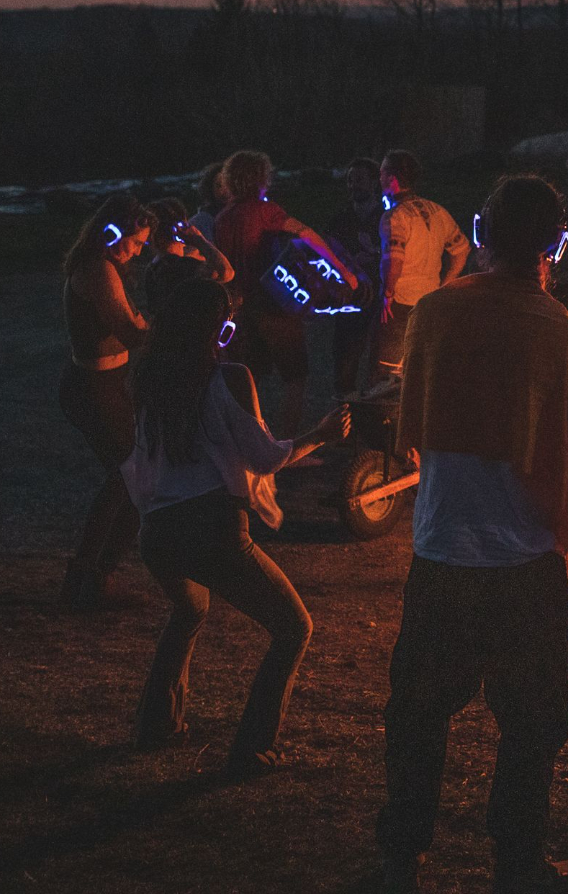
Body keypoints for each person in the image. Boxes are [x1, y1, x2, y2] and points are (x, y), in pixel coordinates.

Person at [376, 175, 568, 894]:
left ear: (480, 230)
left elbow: (412, 434)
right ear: (555, 246)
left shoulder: (434, 314)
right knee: (531, 730)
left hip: (440, 551)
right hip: (522, 565)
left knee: (416, 719)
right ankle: (517, 862)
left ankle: (400, 857)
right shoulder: (563, 336)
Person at [121, 279, 349, 776]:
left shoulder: (148, 376)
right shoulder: (228, 377)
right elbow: (266, 457)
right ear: (216, 326)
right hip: (212, 528)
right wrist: (322, 435)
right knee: (293, 628)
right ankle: (253, 747)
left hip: (157, 531)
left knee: (189, 608)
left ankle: (156, 724)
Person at [60, 194, 156, 611]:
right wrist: (177, 328)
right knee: (130, 475)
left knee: (134, 477)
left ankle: (96, 575)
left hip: (108, 382)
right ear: (112, 231)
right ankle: (89, 576)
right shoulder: (98, 271)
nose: (137, 250)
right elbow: (132, 333)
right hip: (94, 388)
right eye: (134, 242)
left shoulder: (106, 267)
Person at [213, 150, 345, 438]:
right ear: (261, 178)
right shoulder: (265, 211)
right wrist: (342, 272)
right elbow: (305, 233)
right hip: (273, 307)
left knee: (250, 378)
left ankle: (246, 444)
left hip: (239, 309)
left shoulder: (222, 218)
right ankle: (288, 447)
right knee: (296, 377)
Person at [373, 149, 471, 387]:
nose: (379, 178)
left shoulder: (394, 217)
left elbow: (393, 259)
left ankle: (388, 421)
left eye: (382, 172)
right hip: (428, 301)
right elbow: (462, 248)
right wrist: (446, 283)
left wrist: (387, 294)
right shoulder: (438, 212)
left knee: (388, 376)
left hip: (401, 303)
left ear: (392, 178)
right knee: (420, 371)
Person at [325, 158, 385, 393]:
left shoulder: (387, 218)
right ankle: (344, 418)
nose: (353, 185)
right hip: (351, 299)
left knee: (381, 363)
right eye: (350, 180)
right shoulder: (341, 219)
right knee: (345, 364)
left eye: (359, 179)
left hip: (381, 297)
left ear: (374, 182)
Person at [140, 195, 235, 317]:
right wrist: (199, 240)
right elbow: (227, 272)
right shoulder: (182, 266)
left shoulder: (152, 269)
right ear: (180, 227)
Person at [186, 162, 226, 243]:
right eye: (219, 186)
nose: (225, 190)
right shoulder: (199, 222)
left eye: (229, 184)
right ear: (210, 189)